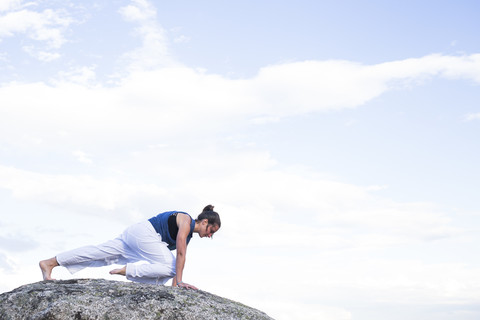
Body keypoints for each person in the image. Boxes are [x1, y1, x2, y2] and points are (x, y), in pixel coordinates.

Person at [39, 205, 221, 290]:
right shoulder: (186, 220)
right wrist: (179, 281)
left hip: (137, 235)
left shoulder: (188, 235)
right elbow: (180, 254)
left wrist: (176, 287)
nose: (210, 235)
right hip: (144, 234)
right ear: (205, 221)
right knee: (170, 266)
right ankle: (128, 270)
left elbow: (177, 265)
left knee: (99, 254)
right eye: (211, 230)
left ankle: (50, 263)